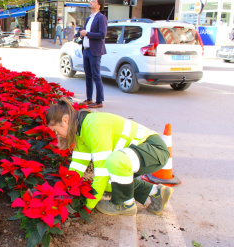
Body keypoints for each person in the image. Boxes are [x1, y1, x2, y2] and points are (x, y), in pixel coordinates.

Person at [46, 98, 174, 216]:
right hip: (136, 155)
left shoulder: (93, 125)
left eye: (56, 131)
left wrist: (87, 208)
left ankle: (125, 204)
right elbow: (77, 168)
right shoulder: (80, 133)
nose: (57, 135)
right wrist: (61, 193)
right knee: (109, 184)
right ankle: (157, 192)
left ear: (65, 120)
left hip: (153, 149)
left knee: (113, 162)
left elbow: (102, 172)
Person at [79, 0, 107, 108]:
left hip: (94, 50)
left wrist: (87, 34)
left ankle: (99, 101)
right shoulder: (89, 18)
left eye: (93, 1)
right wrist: (81, 34)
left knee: (96, 75)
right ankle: (89, 99)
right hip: (86, 50)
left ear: (99, 5)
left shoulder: (101, 17)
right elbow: (85, 33)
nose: (90, 2)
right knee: (88, 76)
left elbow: (102, 34)